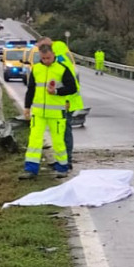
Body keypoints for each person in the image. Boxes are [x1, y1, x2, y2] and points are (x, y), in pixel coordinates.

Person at [18, 38, 78, 180]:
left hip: (57, 113)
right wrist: (27, 107)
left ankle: (62, 167)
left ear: (53, 55)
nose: (46, 61)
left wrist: (57, 92)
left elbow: (72, 88)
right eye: (43, 58)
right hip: (38, 113)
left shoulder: (62, 69)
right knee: (34, 141)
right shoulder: (36, 69)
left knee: (58, 141)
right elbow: (31, 89)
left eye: (48, 58)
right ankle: (31, 170)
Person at [52, 40, 83, 170]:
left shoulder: (60, 63)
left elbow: (64, 85)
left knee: (64, 132)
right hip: (67, 101)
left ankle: (66, 160)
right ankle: (62, 159)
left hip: (66, 102)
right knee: (62, 131)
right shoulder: (66, 60)